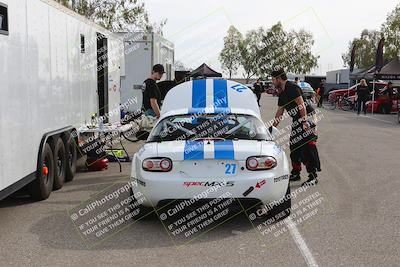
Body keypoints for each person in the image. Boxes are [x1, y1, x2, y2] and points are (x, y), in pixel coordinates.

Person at [271, 69, 321, 186]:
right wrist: (272, 128)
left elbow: (301, 105)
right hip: (297, 120)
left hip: (307, 117)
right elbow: (279, 113)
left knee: (307, 148)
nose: (272, 82)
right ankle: (296, 173)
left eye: (273, 79)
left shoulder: (292, 87)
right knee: (294, 147)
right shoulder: (282, 93)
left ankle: (313, 176)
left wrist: (304, 122)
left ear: (279, 79)